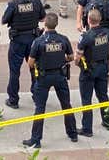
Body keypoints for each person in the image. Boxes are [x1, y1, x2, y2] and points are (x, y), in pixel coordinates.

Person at [24, 12, 78, 148]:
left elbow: (30, 63)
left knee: (40, 108)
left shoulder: (38, 42)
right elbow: (71, 56)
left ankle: (36, 139)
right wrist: (61, 59)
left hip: (43, 77)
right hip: (60, 75)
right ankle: (73, 133)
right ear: (57, 24)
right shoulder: (64, 39)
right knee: (66, 104)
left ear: (45, 24)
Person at [2, 0, 46, 109]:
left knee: (14, 71)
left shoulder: (13, 4)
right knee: (34, 68)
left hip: (18, 40)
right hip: (33, 39)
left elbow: (4, 20)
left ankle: (13, 100)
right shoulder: (36, 2)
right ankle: (37, 95)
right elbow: (43, 18)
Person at [75, 9, 109, 136]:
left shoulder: (86, 37)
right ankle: (108, 121)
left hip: (89, 71)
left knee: (86, 99)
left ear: (88, 20)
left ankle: (87, 129)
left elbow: (78, 56)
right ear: (100, 20)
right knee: (103, 95)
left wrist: (77, 63)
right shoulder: (107, 32)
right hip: (103, 67)